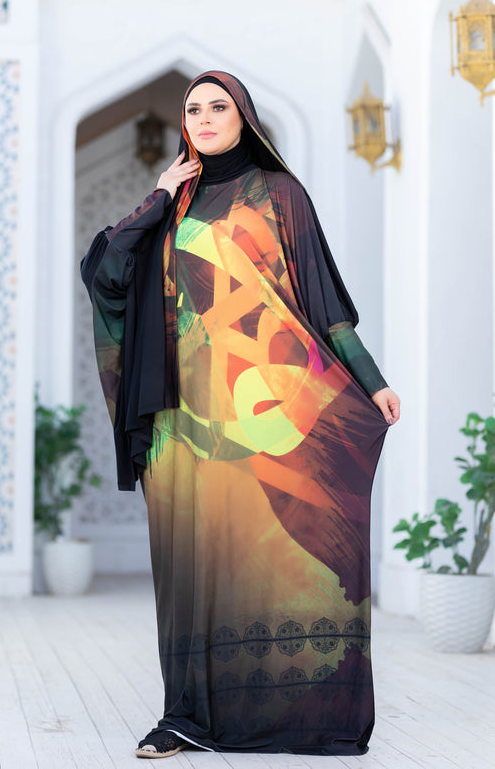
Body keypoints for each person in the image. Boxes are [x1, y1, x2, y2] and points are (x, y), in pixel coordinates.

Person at [81, 70, 400, 758]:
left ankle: (302, 715)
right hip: (179, 418)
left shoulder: (280, 195)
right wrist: (158, 196)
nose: (201, 117)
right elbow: (107, 273)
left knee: (271, 554)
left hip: (263, 408)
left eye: (216, 106)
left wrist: (371, 381)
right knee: (188, 565)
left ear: (243, 117)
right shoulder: (173, 202)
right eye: (192, 108)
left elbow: (323, 304)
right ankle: (185, 716)